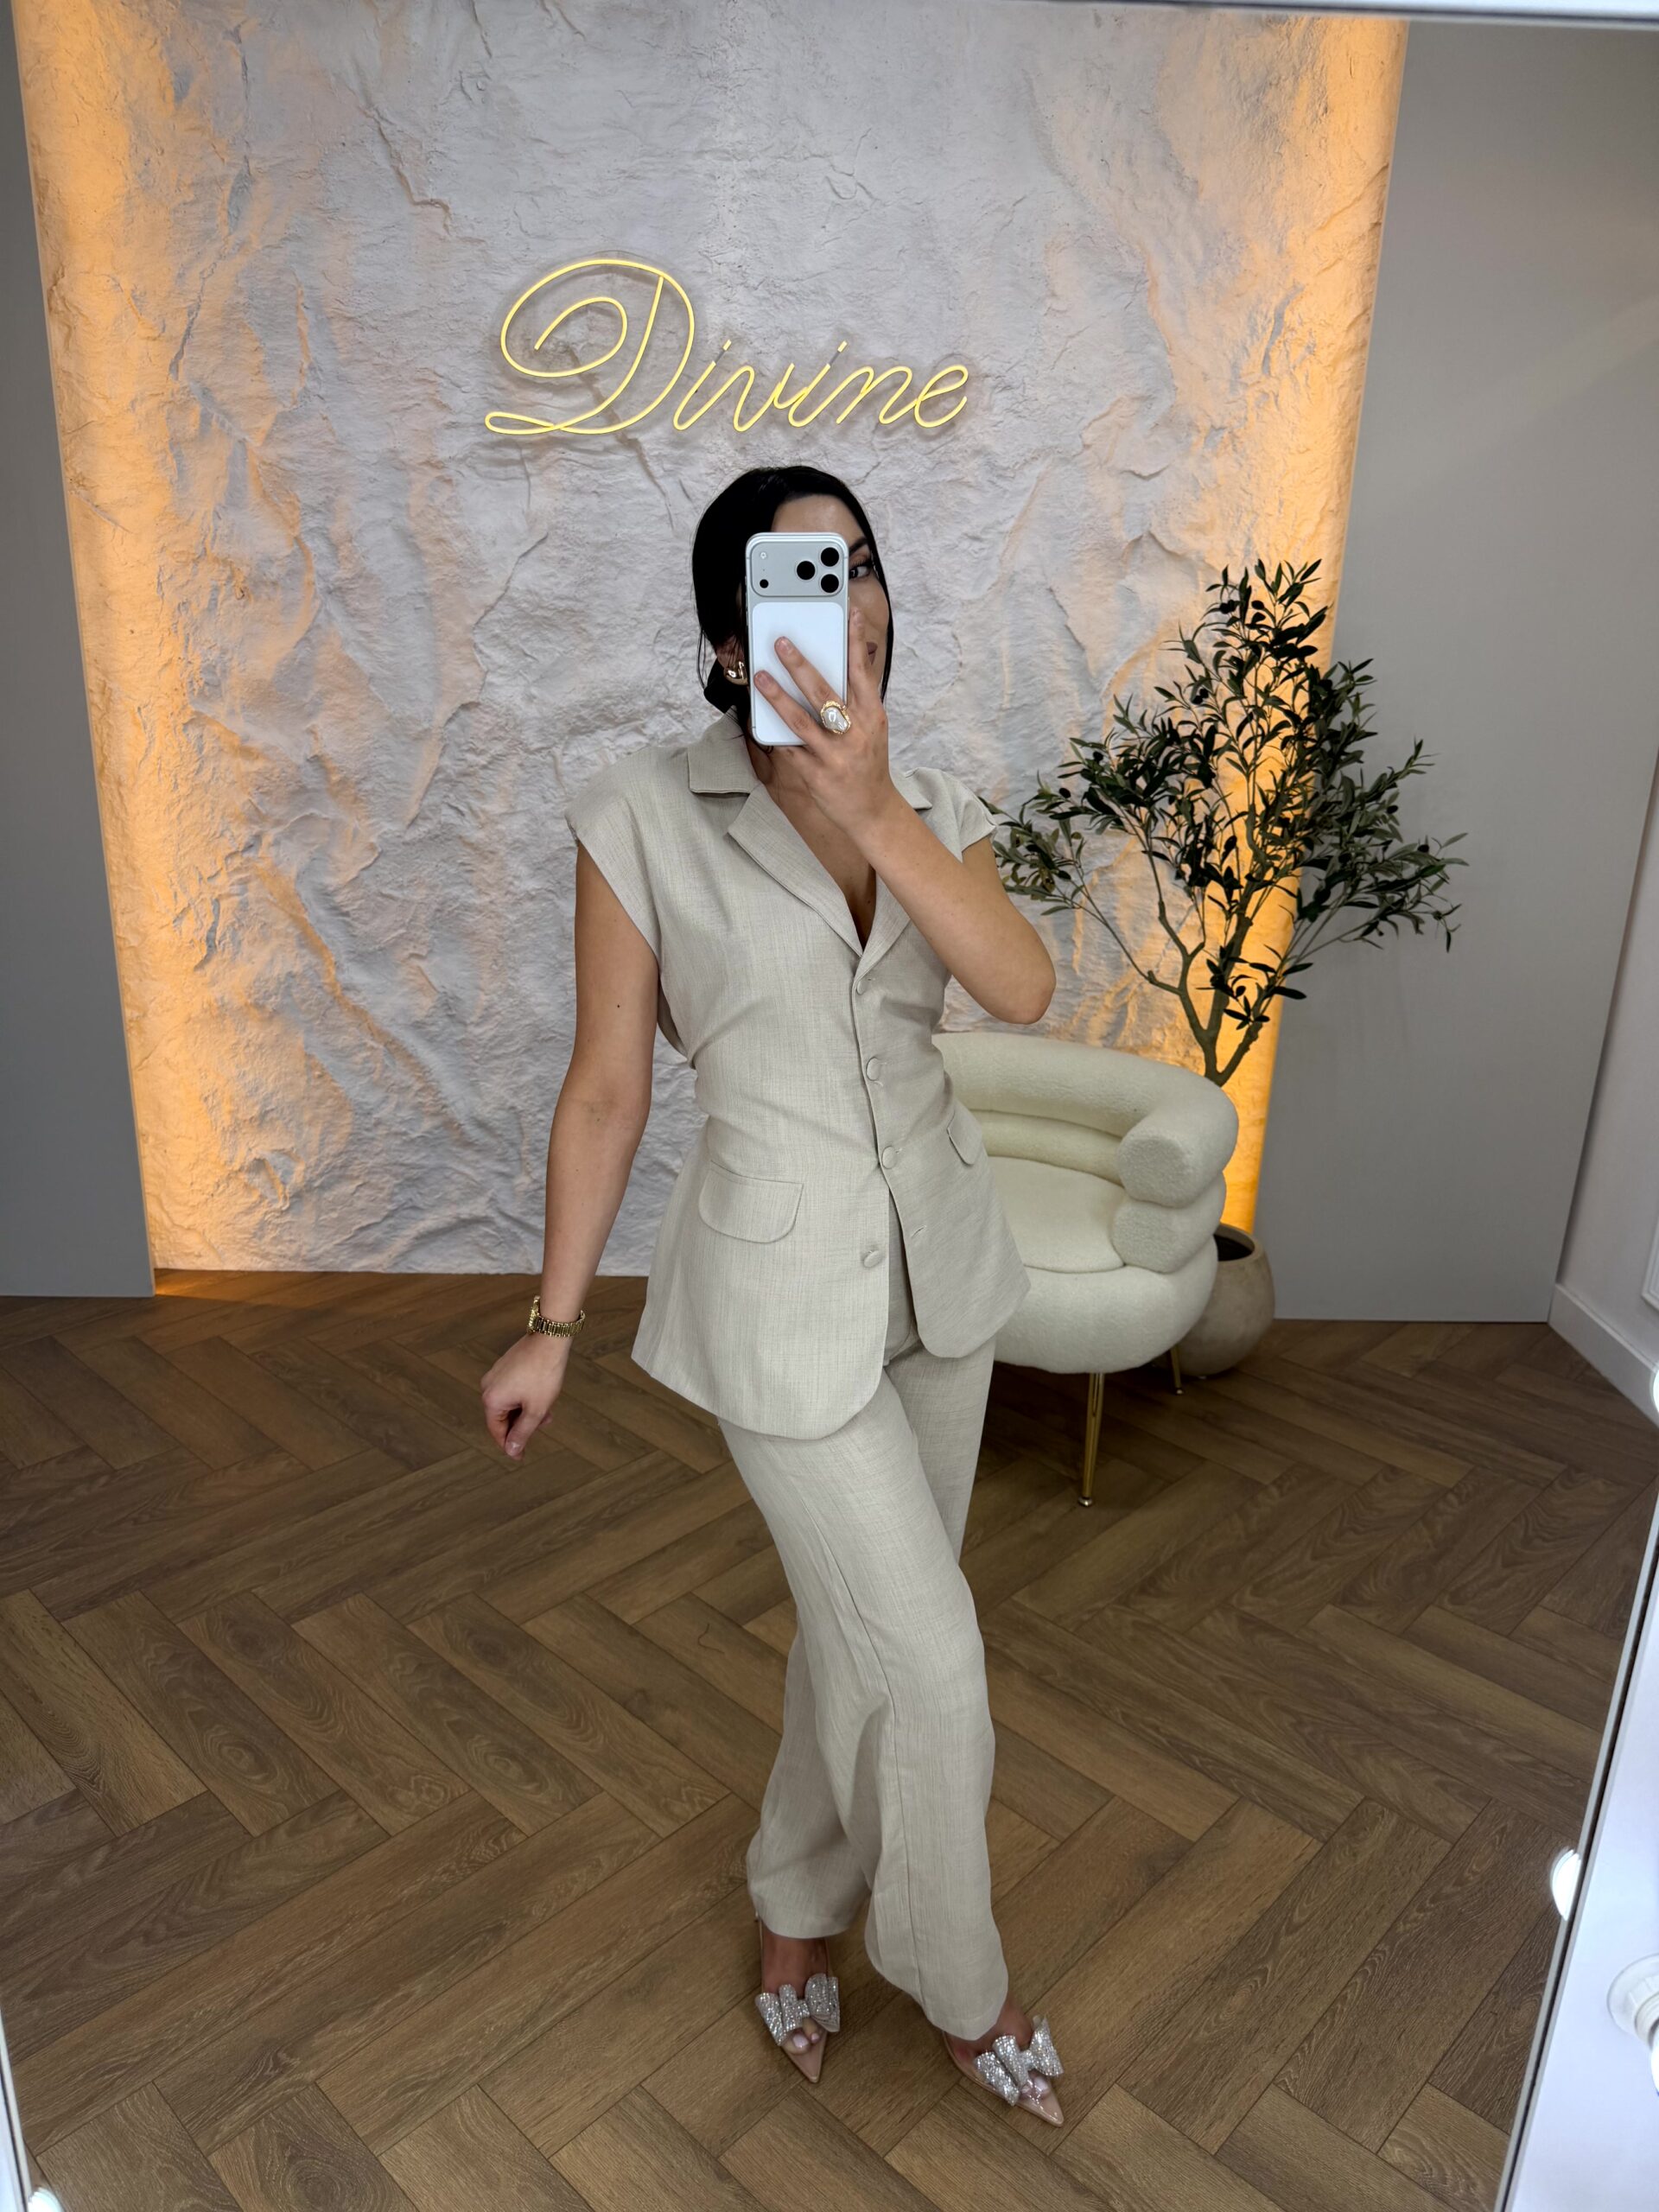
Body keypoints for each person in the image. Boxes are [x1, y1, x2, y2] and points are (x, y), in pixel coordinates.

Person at [480, 464, 1067, 2124]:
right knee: (929, 1665)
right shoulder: (639, 815)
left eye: (860, 560)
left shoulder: (930, 798)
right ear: (733, 633)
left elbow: (1022, 987)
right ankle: (962, 1984)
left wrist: (874, 808)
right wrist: (552, 1326)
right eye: (801, 570)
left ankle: (793, 1906)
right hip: (775, 1302)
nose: (846, 589)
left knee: (859, 1631)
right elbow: (609, 1088)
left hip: (940, 1280)